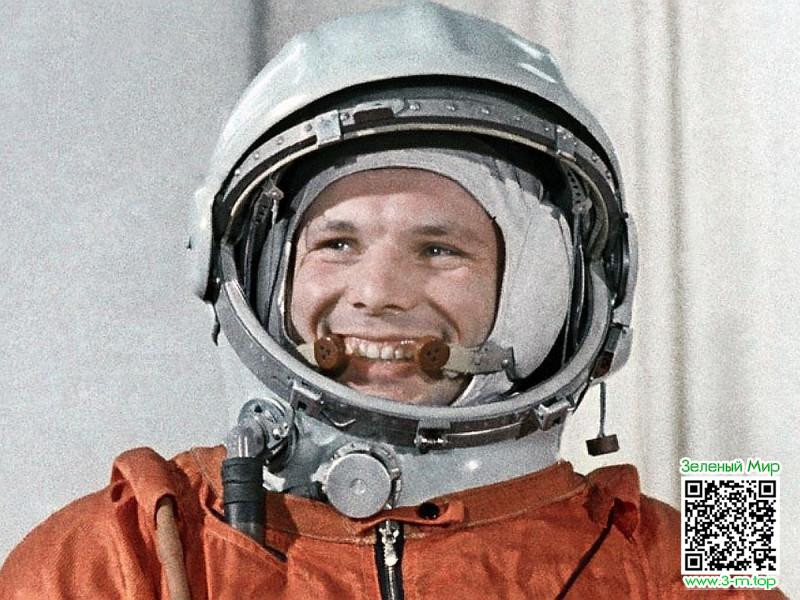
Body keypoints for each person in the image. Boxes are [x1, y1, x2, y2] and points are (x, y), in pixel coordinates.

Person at [0, 3, 785, 599]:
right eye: (337, 244)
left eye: (438, 250)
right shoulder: (122, 551)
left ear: (543, 294)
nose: (376, 294)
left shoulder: (702, 554)